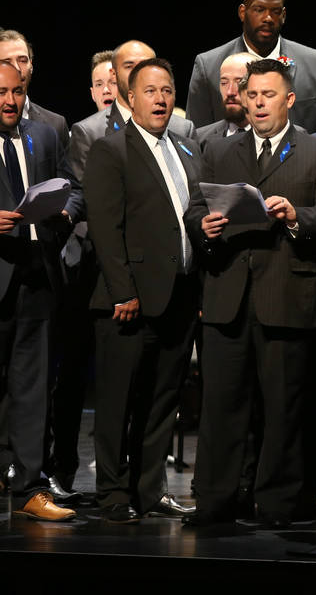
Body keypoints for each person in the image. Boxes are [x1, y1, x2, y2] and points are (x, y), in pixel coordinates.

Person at [185, 58, 316, 528]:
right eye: (251, 95)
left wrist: (296, 215)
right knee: (221, 408)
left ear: (290, 100)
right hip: (228, 299)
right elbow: (194, 213)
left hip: (285, 298)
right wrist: (206, 227)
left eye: (268, 96)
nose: (257, 104)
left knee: (283, 409)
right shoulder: (219, 150)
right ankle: (215, 502)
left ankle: (277, 505)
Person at [83, 58, 200, 524]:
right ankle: (113, 493)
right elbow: (106, 231)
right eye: (150, 91)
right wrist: (122, 293)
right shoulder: (113, 151)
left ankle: (149, 490)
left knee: (161, 401)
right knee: (117, 403)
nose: (161, 99)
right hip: (128, 303)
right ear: (130, 98)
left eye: (167, 91)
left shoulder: (185, 149)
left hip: (178, 297)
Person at [0, 60, 80, 521]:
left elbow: (72, 185)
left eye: (17, 91)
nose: (11, 102)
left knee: (32, 389)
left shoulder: (43, 134)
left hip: (36, 274)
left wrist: (63, 210)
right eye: (2, 93)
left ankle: (30, 488)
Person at [185, 0, 316, 133]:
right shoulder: (209, 66)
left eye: (275, 11)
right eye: (259, 9)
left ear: (284, 15)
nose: (268, 18)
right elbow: (196, 139)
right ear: (242, 12)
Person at [68, 40, 194, 182]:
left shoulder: (183, 129)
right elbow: (82, 195)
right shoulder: (89, 133)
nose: (138, 73)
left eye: (146, 66)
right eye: (129, 66)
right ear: (114, 74)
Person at [0, 29, 68, 146]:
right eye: (7, 61)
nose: (17, 68)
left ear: (31, 65)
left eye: (22, 60)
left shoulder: (56, 125)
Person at [193, 52, 255, 152]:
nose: (230, 92)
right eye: (224, 83)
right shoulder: (200, 140)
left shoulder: (275, 137)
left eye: (240, 82)